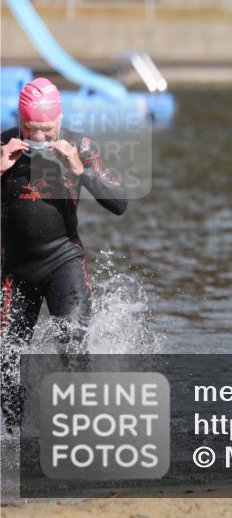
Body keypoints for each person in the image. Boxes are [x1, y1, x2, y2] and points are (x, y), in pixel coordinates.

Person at [0, 78, 128, 431]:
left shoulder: (80, 146)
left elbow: (120, 203)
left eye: (47, 130)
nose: (40, 139)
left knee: (72, 343)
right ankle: (16, 439)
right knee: (5, 358)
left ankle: (80, 435)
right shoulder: (2, 143)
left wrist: (80, 171)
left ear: (59, 121)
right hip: (15, 269)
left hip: (63, 263)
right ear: (21, 122)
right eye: (32, 131)